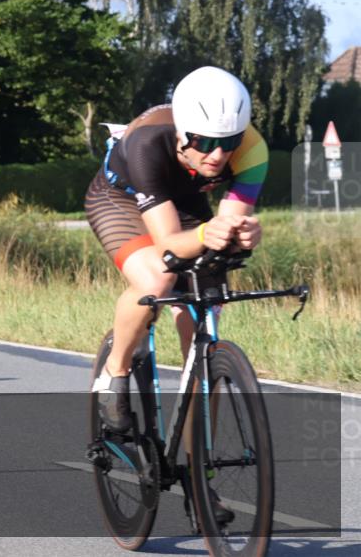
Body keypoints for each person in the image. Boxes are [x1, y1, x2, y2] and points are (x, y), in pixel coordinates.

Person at [85, 66, 267, 524]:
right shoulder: (147, 144)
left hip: (183, 203)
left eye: (229, 142)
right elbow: (167, 245)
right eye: (205, 142)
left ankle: (197, 477)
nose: (218, 155)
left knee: (206, 315)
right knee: (156, 281)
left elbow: (224, 228)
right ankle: (114, 375)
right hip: (121, 198)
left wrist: (242, 233)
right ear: (184, 131)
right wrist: (211, 230)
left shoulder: (253, 150)